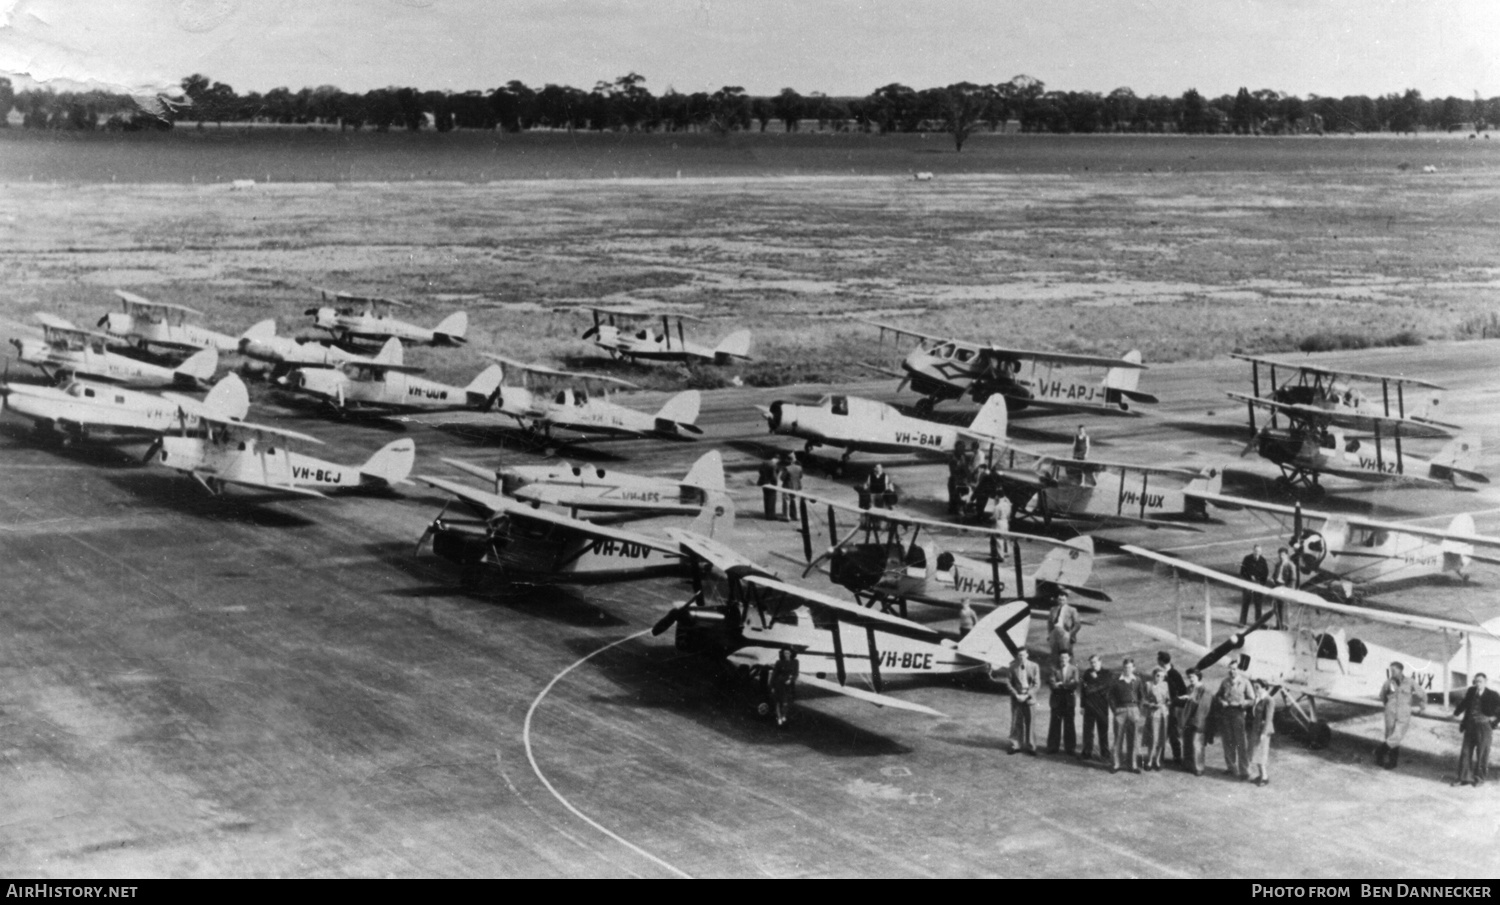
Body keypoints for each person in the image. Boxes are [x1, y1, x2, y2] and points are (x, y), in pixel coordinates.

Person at [1453, 673, 1500, 787]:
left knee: (1482, 753)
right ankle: (1464, 778)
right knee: (1465, 752)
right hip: (1470, 725)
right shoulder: (1471, 691)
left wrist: (1494, 720)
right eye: (1476, 681)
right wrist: (1456, 713)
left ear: (1485, 681)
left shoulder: (1492, 694)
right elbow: (1464, 703)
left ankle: (1479, 779)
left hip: (1484, 727)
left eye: (1480, 681)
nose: (1478, 684)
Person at [1376, 661, 1423, 770]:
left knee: (1397, 736)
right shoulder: (1388, 682)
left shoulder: (1410, 682)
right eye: (1391, 670)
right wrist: (1388, 705)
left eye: (1394, 670)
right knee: (1389, 735)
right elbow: (1382, 695)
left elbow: (1421, 694)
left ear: (1401, 670)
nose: (1391, 672)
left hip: (1404, 713)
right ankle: (1390, 762)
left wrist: (1422, 706)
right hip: (1390, 712)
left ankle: (1379, 751)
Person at [1215, 658, 1255, 779]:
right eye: (1230, 669)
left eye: (1235, 669)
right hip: (1226, 713)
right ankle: (1231, 767)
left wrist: (1244, 703)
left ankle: (1244, 770)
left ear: (1239, 670)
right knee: (1228, 741)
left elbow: (1252, 699)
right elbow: (1218, 695)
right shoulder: (1225, 682)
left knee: (1241, 742)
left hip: (1239, 713)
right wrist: (1222, 701)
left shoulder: (1245, 682)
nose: (1232, 671)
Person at [1107, 658, 1146, 774]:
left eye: (1129, 667)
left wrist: (1138, 709)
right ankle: (1116, 764)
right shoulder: (1117, 681)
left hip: (1134, 710)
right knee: (1118, 737)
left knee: (1133, 738)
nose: (1127, 669)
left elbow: (1142, 696)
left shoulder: (1137, 680)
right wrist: (1115, 710)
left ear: (1133, 668)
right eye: (1125, 667)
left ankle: (1132, 765)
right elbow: (1110, 697)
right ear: (1122, 668)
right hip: (1120, 710)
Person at [1178, 668, 1215, 776]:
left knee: (1197, 743)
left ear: (1198, 677)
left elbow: (1204, 706)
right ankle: (1188, 764)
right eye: (1189, 677)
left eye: (1192, 677)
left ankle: (1199, 766)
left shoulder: (1204, 689)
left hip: (1199, 719)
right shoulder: (1189, 688)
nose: (1190, 679)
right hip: (1188, 719)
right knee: (1187, 742)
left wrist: (1189, 699)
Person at [1006, 647, 1040, 755]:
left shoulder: (1034, 666)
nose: (1022, 657)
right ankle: (1016, 745)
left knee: (1030, 722)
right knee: (1016, 721)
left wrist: (1027, 695)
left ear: (1027, 655)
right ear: (1017, 656)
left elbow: (1037, 684)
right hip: (1017, 697)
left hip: (1029, 697)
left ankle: (1031, 747)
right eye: (1020, 655)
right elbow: (1008, 682)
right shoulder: (1012, 667)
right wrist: (1016, 695)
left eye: (1024, 655)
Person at [1045, 651, 1079, 756]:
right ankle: (1052, 747)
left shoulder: (1074, 669)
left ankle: (1070, 748)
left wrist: (1061, 684)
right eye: (1061, 657)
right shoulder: (1054, 669)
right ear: (1059, 658)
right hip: (1057, 700)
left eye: (1065, 657)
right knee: (1055, 724)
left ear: (1069, 658)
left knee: (1069, 725)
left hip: (1068, 701)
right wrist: (1063, 684)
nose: (1063, 659)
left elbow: (1075, 683)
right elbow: (1052, 683)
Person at [1079, 654, 1112, 762]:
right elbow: (1084, 691)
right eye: (1091, 662)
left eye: (1095, 662)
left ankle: (1105, 752)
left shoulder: (1107, 673)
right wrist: (1082, 705)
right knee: (1088, 731)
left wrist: (1095, 681)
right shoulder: (1087, 673)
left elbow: (1105, 687)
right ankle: (1087, 752)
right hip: (1089, 706)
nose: (1093, 664)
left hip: (1102, 706)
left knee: (1103, 730)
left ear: (1100, 661)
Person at [1158, 651, 1187, 764]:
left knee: (1172, 733)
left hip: (1171, 708)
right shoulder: (1159, 672)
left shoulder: (1174, 674)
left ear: (1161, 661)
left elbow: (1183, 690)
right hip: (1161, 706)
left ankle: (1177, 757)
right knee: (1161, 732)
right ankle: (1159, 757)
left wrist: (1173, 701)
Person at [1142, 666, 1172, 771]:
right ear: (1153, 675)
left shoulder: (1165, 685)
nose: (1160, 678)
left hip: (1164, 714)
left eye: (1162, 676)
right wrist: (1151, 705)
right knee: (1153, 739)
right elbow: (1143, 701)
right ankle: (1149, 761)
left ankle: (1157, 760)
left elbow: (1168, 699)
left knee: (1162, 738)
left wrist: (1168, 702)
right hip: (1153, 715)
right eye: (1158, 676)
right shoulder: (1148, 685)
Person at [1248, 679, 1276, 786]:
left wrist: (1263, 733)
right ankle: (1261, 775)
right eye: (1254, 687)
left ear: (1264, 688)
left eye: (1257, 687)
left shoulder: (1269, 700)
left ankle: (1264, 778)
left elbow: (1268, 718)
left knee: (1261, 754)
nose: (1255, 689)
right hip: (1256, 729)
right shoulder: (1258, 698)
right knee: (1256, 753)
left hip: (1263, 731)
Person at [1238, 544, 1270, 626]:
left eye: (1259, 551)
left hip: (1258, 584)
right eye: (1256, 551)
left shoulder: (1263, 561)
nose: (1257, 553)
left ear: (1261, 552)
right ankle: (1242, 622)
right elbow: (1242, 572)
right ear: (1253, 550)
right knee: (1245, 602)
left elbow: (1265, 574)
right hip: (1248, 583)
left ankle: (1258, 622)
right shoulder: (1247, 559)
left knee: (1258, 604)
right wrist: (1249, 577)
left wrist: (1261, 584)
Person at [1269, 547, 1298, 629]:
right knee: (1277, 607)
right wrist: (1273, 579)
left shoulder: (1291, 565)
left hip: (1285, 588)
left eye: (1283, 555)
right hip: (1277, 586)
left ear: (1286, 555)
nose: (1281, 556)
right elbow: (1275, 575)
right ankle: (1278, 625)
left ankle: (1285, 626)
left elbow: (1293, 579)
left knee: (1285, 608)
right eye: (1280, 555)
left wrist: (1289, 592)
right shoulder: (1278, 564)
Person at [1047, 591, 1081, 662]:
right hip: (1055, 632)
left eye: (1063, 600)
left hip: (1065, 632)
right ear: (1057, 600)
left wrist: (1070, 634)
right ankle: (1056, 670)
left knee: (1066, 653)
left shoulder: (1072, 610)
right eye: (1060, 600)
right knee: (1054, 652)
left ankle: (1071, 669)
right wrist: (1050, 633)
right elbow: (1050, 622)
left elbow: (1077, 624)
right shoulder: (1053, 609)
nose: (1061, 601)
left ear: (1066, 600)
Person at [770, 649, 799, 727]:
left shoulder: (795, 662)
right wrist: (772, 686)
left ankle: (784, 715)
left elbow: (796, 674)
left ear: (791, 653)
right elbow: (774, 675)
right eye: (785, 653)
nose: (786, 654)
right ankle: (779, 717)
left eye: (788, 653)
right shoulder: (779, 662)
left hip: (789, 685)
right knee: (778, 702)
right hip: (779, 684)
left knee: (786, 702)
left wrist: (791, 680)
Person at [778, 453, 803, 521]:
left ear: (789, 460)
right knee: (795, 500)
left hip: (787, 486)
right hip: (797, 486)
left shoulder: (786, 468)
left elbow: (782, 478)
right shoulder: (799, 467)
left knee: (786, 500)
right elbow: (800, 476)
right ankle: (796, 516)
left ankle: (787, 516)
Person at [757, 454, 781, 521]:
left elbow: (760, 471)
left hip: (763, 483)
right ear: (777, 460)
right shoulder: (773, 465)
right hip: (771, 484)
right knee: (772, 499)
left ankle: (767, 514)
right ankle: (771, 516)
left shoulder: (763, 463)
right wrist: (775, 483)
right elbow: (774, 476)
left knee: (766, 498)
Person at [947, 448, 969, 515]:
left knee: (954, 495)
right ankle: (956, 509)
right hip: (955, 480)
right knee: (956, 495)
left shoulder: (955, 460)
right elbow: (956, 471)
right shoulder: (955, 461)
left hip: (954, 480)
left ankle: (953, 509)